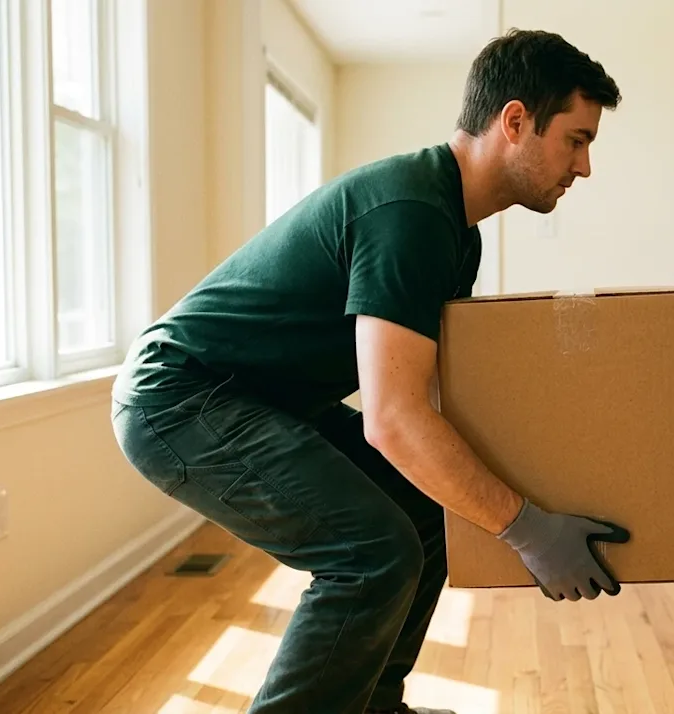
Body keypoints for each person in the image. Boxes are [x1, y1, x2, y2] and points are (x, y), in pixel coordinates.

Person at [109, 27, 630, 714]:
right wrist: (527, 528)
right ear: (514, 122)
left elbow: (438, 401)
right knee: (370, 551)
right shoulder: (411, 214)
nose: (584, 167)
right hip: (181, 396)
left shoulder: (455, 231)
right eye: (576, 140)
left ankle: (375, 705)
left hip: (264, 399)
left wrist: (542, 483)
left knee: (425, 515)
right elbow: (394, 420)